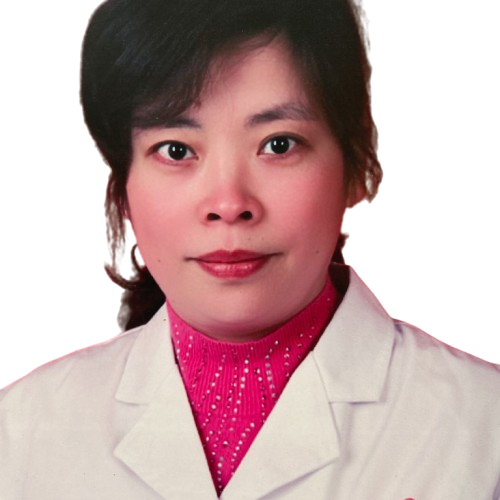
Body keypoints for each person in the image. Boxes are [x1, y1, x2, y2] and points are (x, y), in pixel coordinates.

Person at [1, 0, 499, 498]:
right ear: (123, 189)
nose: (228, 203)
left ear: (356, 165)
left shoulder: (483, 426)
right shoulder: (20, 433)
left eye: (278, 144)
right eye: (176, 150)